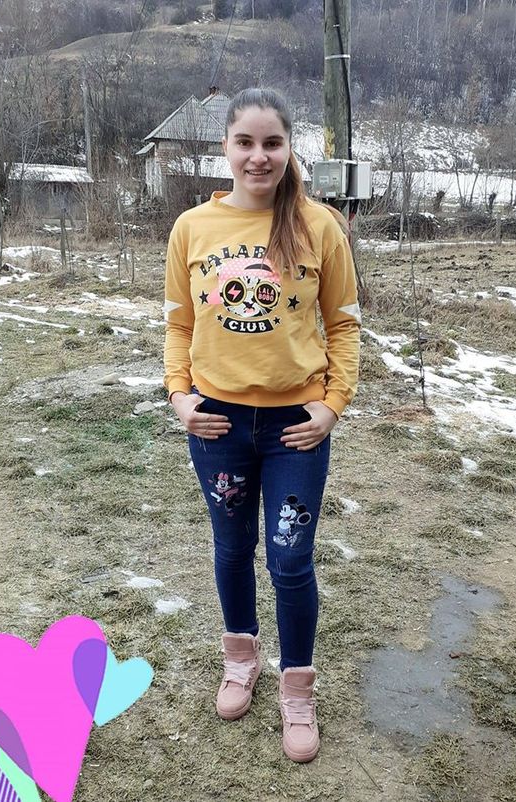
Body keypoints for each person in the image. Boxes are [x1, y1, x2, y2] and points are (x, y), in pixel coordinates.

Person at [163, 87, 360, 763]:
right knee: (231, 546)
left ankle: (297, 689)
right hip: (217, 425)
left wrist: (332, 405)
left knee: (291, 559)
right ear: (225, 147)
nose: (258, 156)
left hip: (294, 429)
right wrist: (180, 396)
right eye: (245, 142)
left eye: (272, 143)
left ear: (288, 148)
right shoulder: (192, 228)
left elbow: (343, 325)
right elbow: (178, 323)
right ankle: (240, 659)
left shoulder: (319, 226)